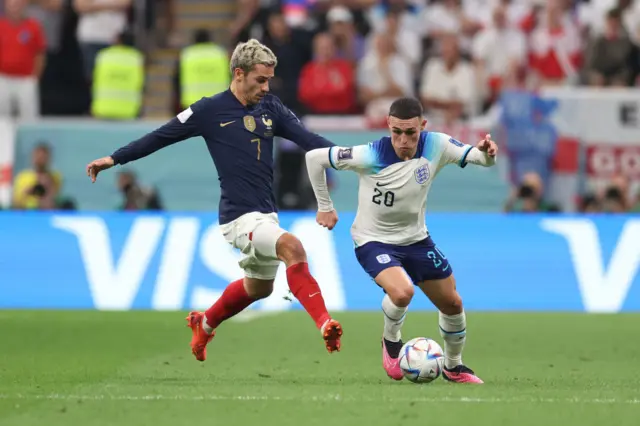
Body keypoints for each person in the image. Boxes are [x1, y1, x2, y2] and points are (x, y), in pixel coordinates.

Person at [85, 39, 343, 361]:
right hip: (238, 217)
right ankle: (325, 324)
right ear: (239, 73)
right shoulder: (209, 110)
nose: (266, 87)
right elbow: (159, 137)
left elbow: (311, 141)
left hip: (266, 215)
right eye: (260, 80)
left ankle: (203, 324)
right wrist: (115, 158)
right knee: (293, 248)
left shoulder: (271, 108)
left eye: (269, 80)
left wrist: (351, 157)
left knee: (258, 288)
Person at [304, 97, 498, 383]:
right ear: (388, 126)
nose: (403, 140)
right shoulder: (370, 154)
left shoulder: (437, 145)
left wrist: (488, 153)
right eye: (397, 132)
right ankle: (391, 342)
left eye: (411, 133)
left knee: (453, 303)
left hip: (416, 240)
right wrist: (325, 205)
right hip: (373, 241)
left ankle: (453, 366)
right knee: (402, 292)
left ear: (423, 126)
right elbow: (315, 158)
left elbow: (480, 157)